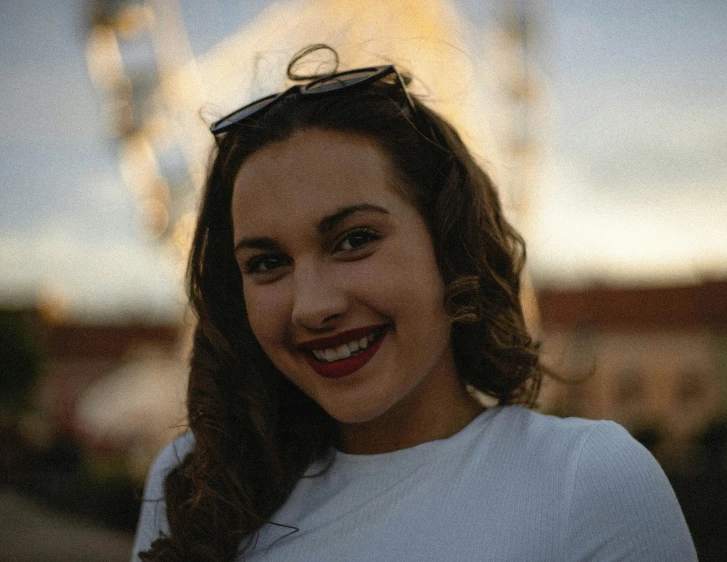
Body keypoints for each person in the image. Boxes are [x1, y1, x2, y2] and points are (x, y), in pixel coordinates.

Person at [131, 46, 696, 561]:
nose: (311, 307)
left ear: (449, 246)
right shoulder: (195, 483)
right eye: (266, 263)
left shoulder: (587, 482)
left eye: (355, 240)